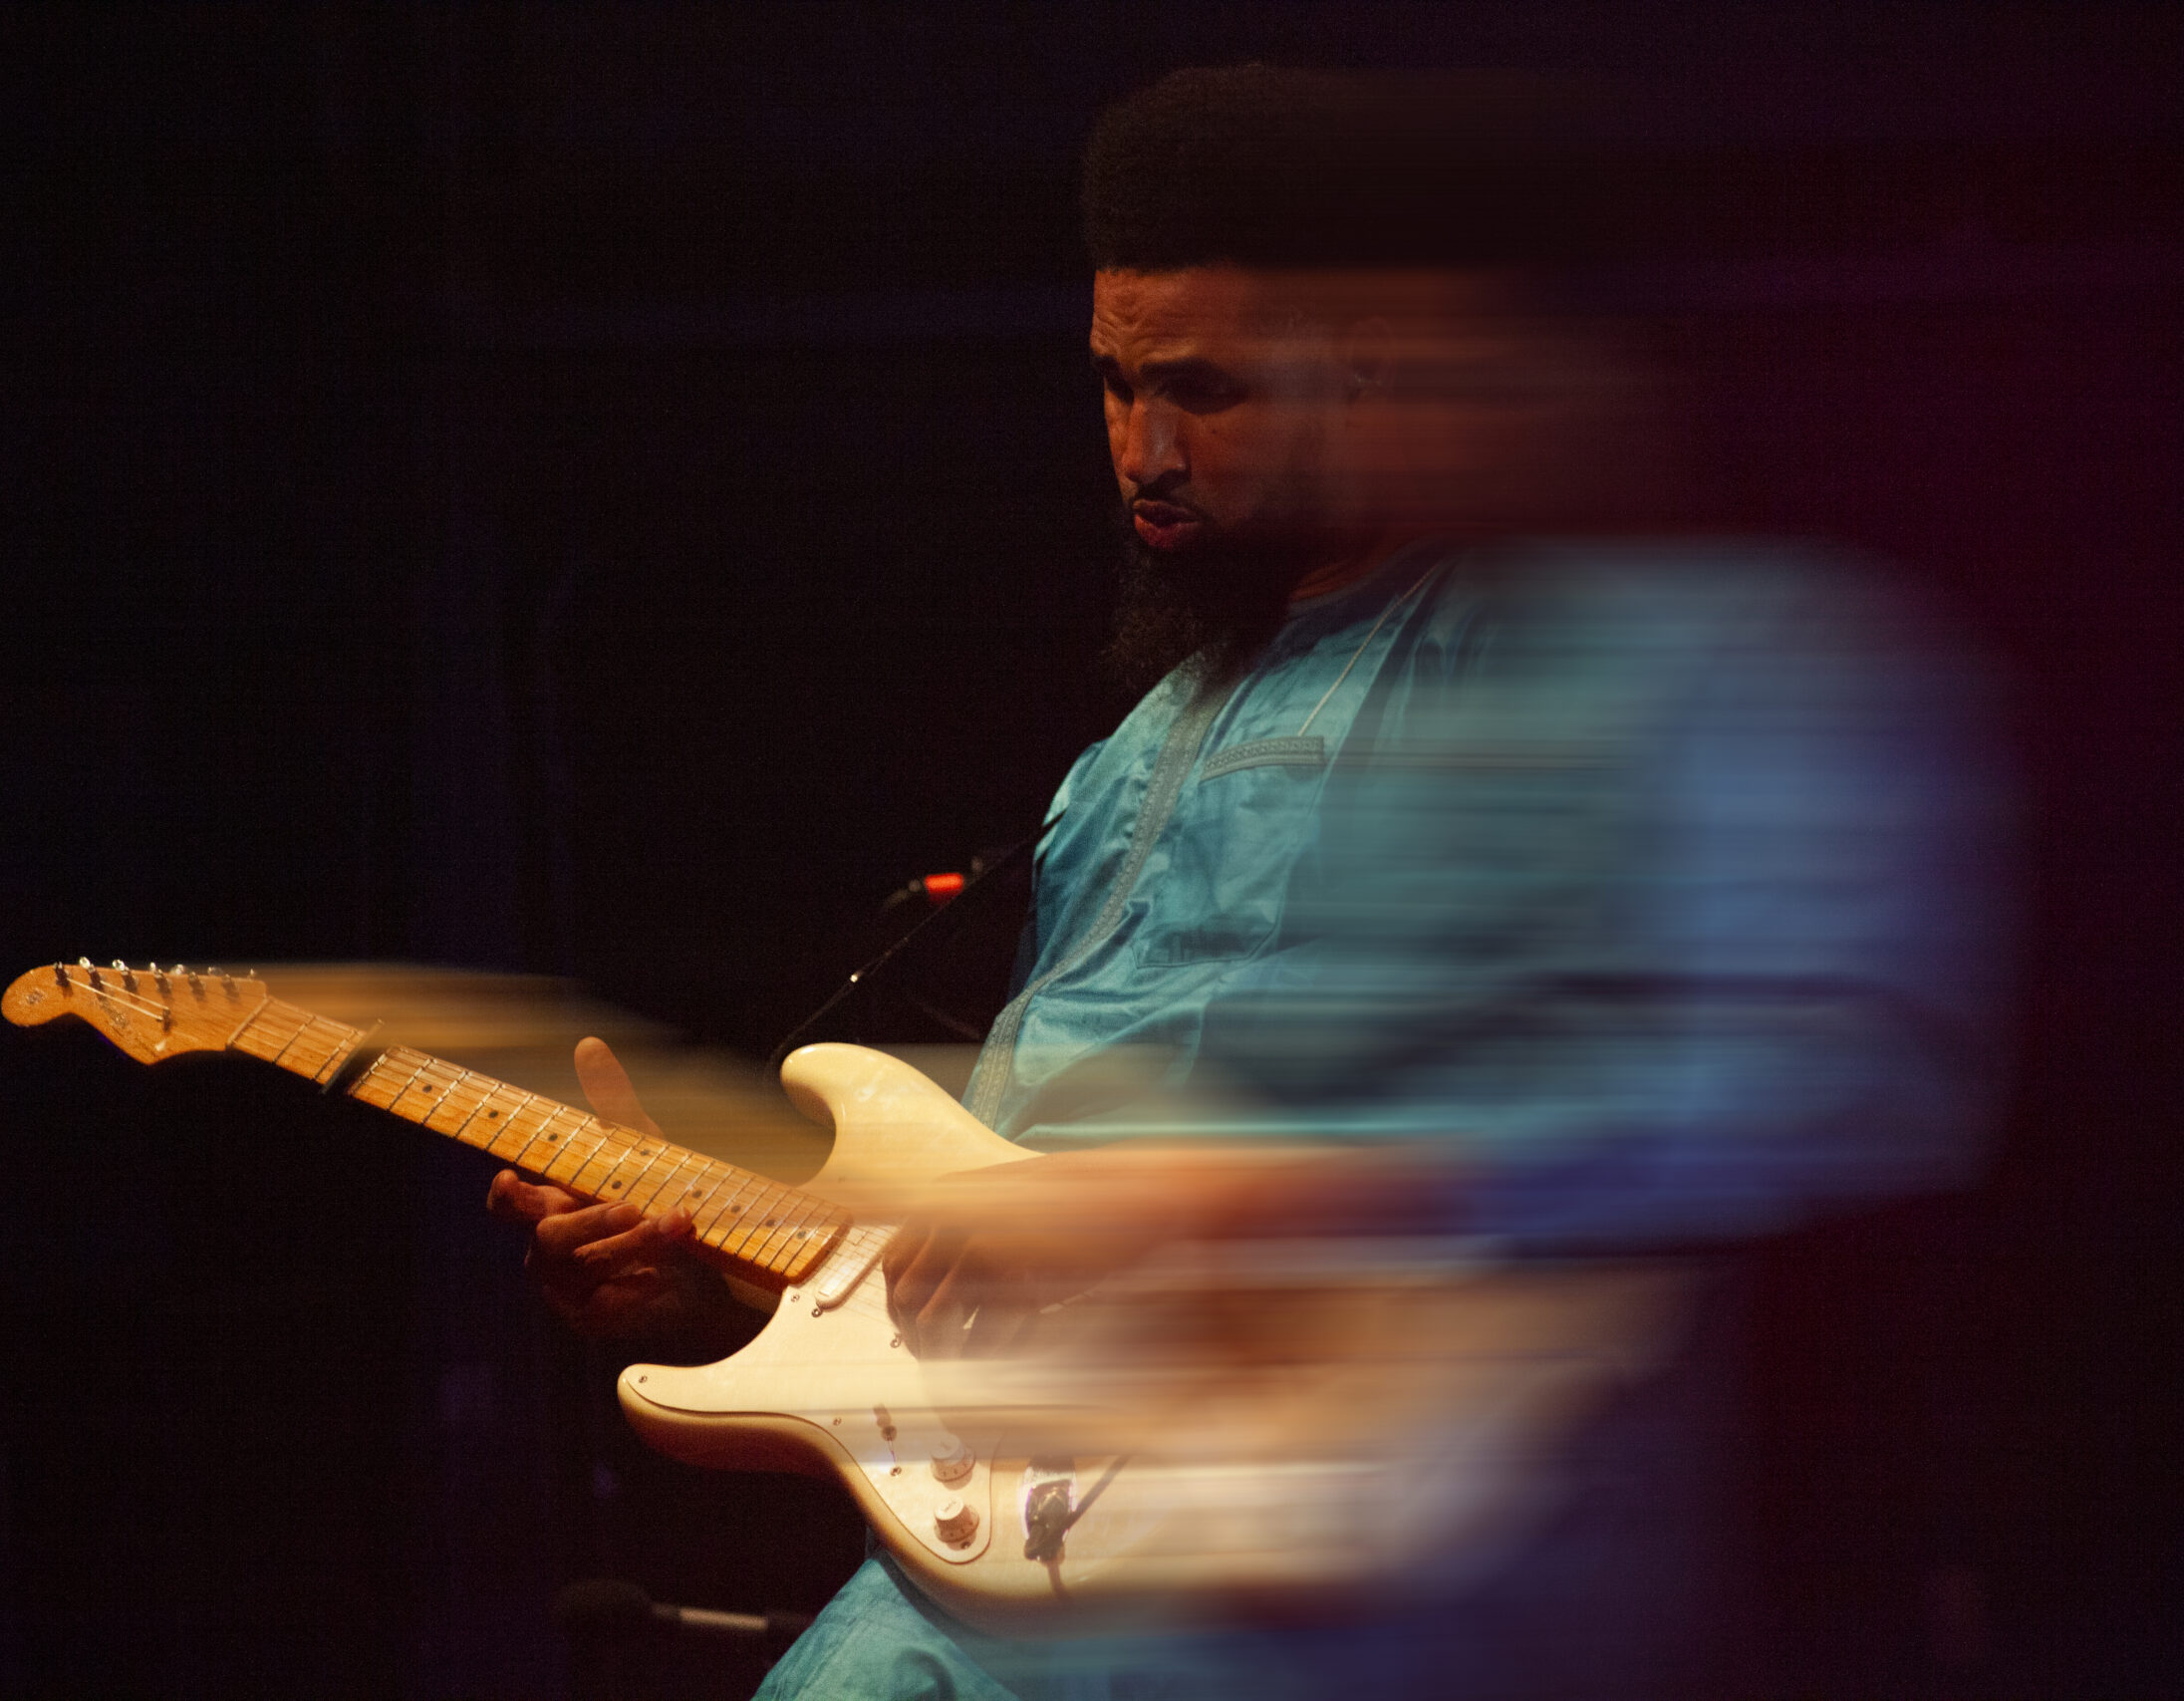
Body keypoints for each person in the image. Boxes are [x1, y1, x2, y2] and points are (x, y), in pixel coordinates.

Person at [488, 66, 2009, 1700]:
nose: (1143, 449)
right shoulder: (1129, 756)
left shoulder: (1579, 654)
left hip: (1334, 1568)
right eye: (1113, 386)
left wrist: (1243, 1200)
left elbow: (1801, 1079)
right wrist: (719, 1267)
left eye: (1205, 392)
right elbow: (999, 1223)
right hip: (1001, 1557)